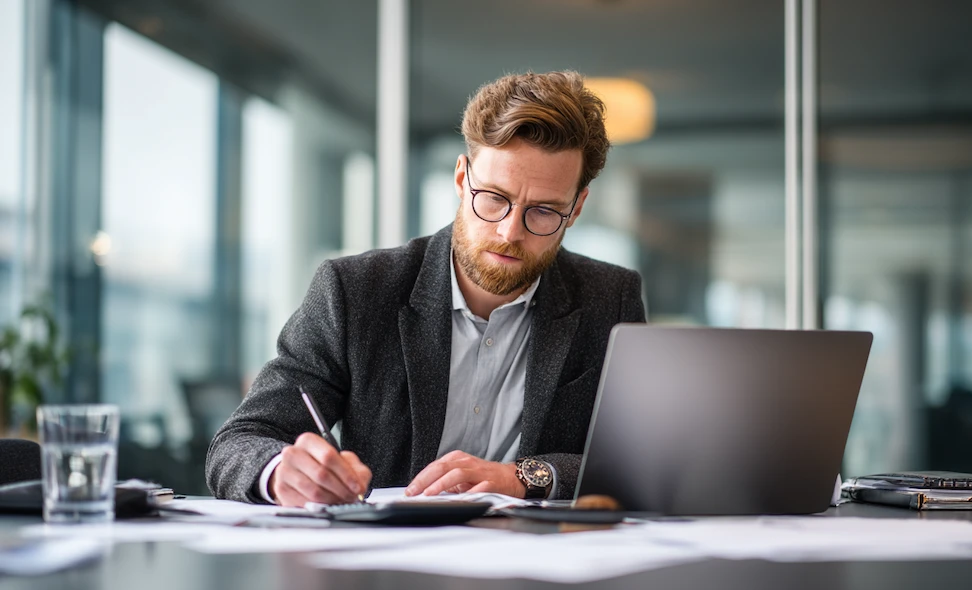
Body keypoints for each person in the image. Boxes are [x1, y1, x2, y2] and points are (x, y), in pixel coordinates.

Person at [206, 70, 646, 506]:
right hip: (388, 563)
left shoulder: (609, 298)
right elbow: (239, 441)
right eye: (493, 197)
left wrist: (525, 477)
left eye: (544, 211)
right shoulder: (356, 292)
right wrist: (282, 471)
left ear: (577, 207)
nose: (510, 231)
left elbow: (638, 459)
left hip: (545, 562)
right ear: (462, 178)